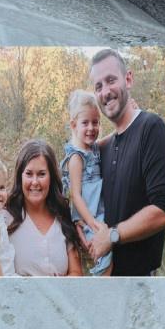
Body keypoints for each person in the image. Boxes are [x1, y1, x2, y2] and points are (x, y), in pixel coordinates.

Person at [86, 48, 165, 276]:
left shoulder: (151, 128)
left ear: (128, 79)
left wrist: (112, 235)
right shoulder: (106, 147)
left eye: (111, 80)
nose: (105, 92)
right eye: (98, 86)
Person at [4, 139, 83, 277]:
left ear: (51, 177)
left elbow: (76, 272)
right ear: (20, 176)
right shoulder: (4, 218)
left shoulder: (63, 216)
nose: (35, 182)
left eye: (41, 174)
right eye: (29, 174)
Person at [61, 90, 112, 276]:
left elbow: (107, 140)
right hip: (89, 215)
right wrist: (91, 222)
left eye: (95, 122)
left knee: (108, 253)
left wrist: (126, 126)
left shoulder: (93, 148)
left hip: (99, 213)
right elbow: (75, 194)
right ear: (74, 125)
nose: (91, 128)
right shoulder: (76, 157)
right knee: (104, 258)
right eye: (85, 123)